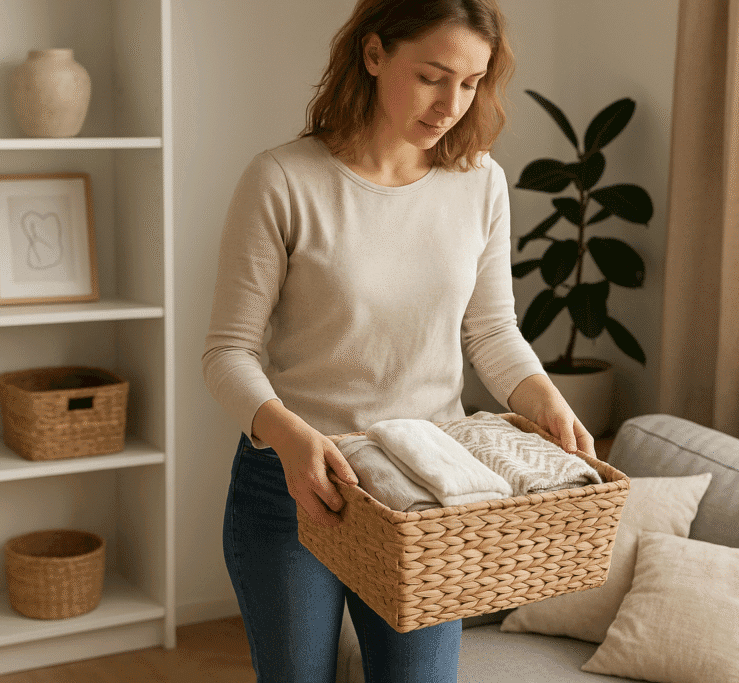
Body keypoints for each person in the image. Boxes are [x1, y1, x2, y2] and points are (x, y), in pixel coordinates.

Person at [203, 1, 595, 680]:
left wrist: (545, 399)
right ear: (375, 53)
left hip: (428, 493)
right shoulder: (284, 180)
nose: (451, 105)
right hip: (299, 484)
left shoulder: (480, 182)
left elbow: (493, 329)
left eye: (471, 83)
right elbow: (228, 352)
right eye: (433, 76)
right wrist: (292, 438)